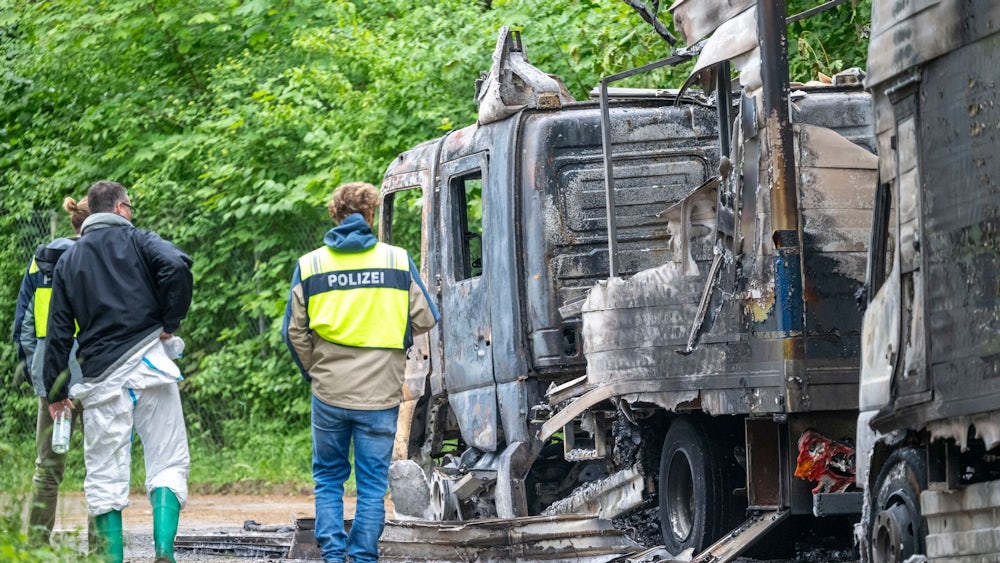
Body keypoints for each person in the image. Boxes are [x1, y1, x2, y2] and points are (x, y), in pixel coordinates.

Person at [282, 181, 439, 563]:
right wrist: (392, 334)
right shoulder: (396, 261)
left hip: (329, 392)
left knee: (329, 478)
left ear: (335, 214)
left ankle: (334, 555)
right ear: (370, 215)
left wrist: (315, 372)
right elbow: (426, 317)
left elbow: (294, 332)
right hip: (380, 393)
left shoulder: (311, 264)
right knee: (371, 484)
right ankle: (364, 557)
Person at [42, 180, 193, 563]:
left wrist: (56, 391)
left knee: (105, 474)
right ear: (122, 208)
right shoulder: (141, 241)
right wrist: (170, 320)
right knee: (167, 458)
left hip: (102, 378)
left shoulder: (68, 261)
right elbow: (176, 265)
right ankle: (163, 552)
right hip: (151, 364)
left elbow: (58, 331)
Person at [12, 196, 92, 547]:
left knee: (46, 468)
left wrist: (41, 375)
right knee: (101, 465)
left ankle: (35, 547)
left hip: (55, 376)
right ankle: (103, 548)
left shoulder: (40, 261)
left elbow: (23, 327)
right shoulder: (104, 258)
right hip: (98, 375)